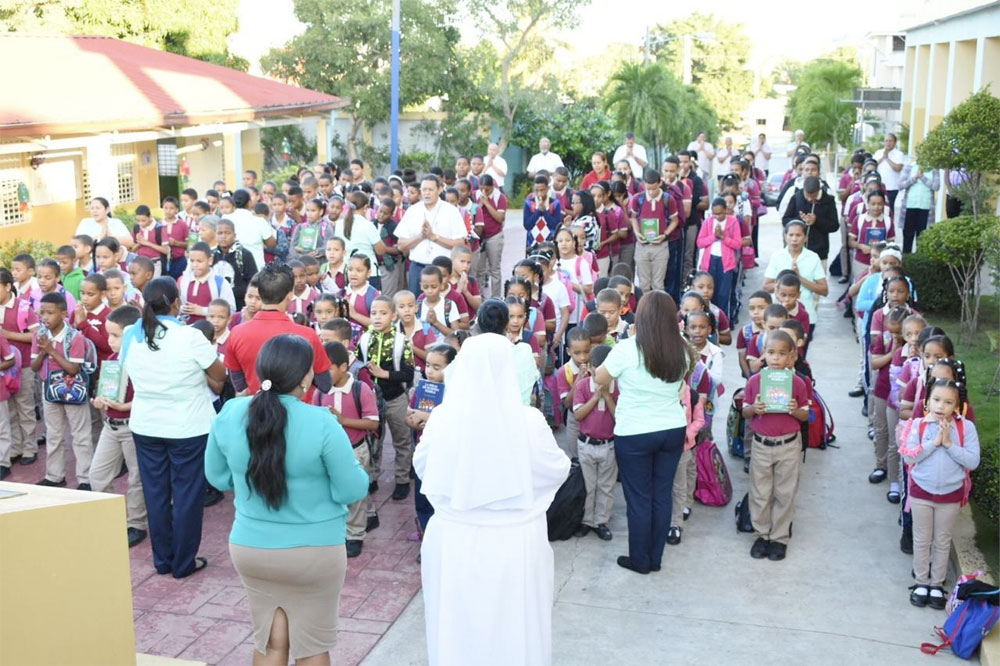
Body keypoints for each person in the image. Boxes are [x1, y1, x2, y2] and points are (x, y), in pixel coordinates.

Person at [206, 334, 369, 664]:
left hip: (251, 547)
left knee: (270, 640)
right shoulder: (322, 421)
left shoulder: (231, 412)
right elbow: (351, 490)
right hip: (314, 551)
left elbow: (218, 477)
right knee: (311, 645)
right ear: (306, 377)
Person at [415, 332, 570, 666]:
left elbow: (423, 466)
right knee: (515, 630)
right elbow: (556, 469)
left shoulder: (442, 417)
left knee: (457, 630)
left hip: (455, 538)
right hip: (514, 541)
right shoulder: (528, 420)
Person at [122, 277, 227, 578]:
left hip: (146, 424)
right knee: (186, 495)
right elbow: (218, 373)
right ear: (176, 303)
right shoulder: (190, 336)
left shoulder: (132, 333)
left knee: (155, 493)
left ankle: (163, 560)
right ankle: (183, 563)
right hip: (187, 426)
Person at [593, 291, 689, 574]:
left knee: (638, 498)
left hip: (634, 431)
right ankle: (655, 558)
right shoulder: (682, 348)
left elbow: (600, 376)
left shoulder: (627, 349)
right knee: (661, 494)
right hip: (672, 428)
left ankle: (639, 560)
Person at [899, 378, 980, 609]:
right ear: (927, 400)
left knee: (942, 540)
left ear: (956, 406)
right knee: (922, 538)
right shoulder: (917, 425)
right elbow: (909, 456)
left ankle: (937, 584)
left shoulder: (966, 428)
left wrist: (949, 444)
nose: (940, 406)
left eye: (947, 402)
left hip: (950, 494)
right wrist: (935, 443)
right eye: (936, 399)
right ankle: (921, 581)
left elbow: (973, 461)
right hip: (921, 491)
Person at [741, 330, 811, 561]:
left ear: (792, 356)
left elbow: (805, 416)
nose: (776, 358)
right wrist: (755, 409)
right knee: (760, 492)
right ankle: (761, 535)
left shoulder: (798, 383)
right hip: (762, 444)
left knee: (785, 492)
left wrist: (794, 409)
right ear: (763, 354)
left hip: (788, 444)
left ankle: (779, 538)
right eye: (771, 353)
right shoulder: (755, 381)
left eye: (782, 354)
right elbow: (745, 411)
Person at [224, 263, 332, 398]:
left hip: (258, 412)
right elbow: (325, 384)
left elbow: (239, 385)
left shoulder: (236, 333)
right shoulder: (307, 335)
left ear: (260, 294)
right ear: (290, 295)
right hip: (299, 414)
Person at [89, 305, 148, 547]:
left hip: (132, 426)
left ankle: (136, 524)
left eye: (115, 335)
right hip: (110, 426)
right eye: (109, 334)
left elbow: (148, 394)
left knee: (136, 478)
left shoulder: (142, 361)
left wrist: (125, 407)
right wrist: (98, 400)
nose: (109, 340)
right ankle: (110, 518)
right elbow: (103, 391)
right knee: (97, 474)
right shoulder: (112, 360)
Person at [31, 292, 94, 488]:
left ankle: (85, 479)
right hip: (49, 390)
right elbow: (34, 366)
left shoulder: (74, 338)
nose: (45, 317)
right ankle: (54, 475)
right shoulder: (39, 335)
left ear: (64, 313)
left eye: (50, 313)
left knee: (81, 435)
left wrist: (51, 351)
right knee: (53, 434)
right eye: (42, 313)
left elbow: (73, 369)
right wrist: (43, 350)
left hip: (72, 389)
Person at [395, 175, 468, 292]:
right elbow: (401, 245)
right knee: (417, 305)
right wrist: (421, 236)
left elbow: (460, 243)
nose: (427, 193)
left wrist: (434, 237)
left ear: (439, 190)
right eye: (424, 190)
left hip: (442, 270)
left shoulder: (451, 211)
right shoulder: (413, 211)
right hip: (417, 268)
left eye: (430, 190)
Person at [763, 221, 828, 328]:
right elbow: (766, 286)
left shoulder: (813, 258)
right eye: (791, 235)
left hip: (806, 315)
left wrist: (798, 278)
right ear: (785, 236)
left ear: (806, 238)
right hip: (779, 317)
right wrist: (784, 286)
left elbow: (824, 290)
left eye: (798, 235)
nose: (794, 239)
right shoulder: (777, 256)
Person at [227, 189, 277, 270]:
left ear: (233, 203)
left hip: (232, 267)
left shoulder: (226, 219)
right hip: (256, 267)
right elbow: (271, 243)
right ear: (249, 202)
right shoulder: (260, 221)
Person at [898, 162, 940, 253]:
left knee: (922, 236)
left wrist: (923, 178)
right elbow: (900, 185)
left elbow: (936, 187)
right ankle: (906, 259)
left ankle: (920, 261)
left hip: (926, 207)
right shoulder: (909, 166)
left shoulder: (934, 169)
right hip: (909, 206)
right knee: (908, 236)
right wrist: (914, 178)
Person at [873, 133, 906, 211]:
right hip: (878, 185)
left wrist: (887, 159)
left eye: (890, 141)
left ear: (895, 142)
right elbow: (872, 166)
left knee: (889, 207)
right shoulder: (878, 152)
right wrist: (882, 158)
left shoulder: (899, 154)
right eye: (886, 141)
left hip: (892, 186)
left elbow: (898, 168)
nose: (888, 143)